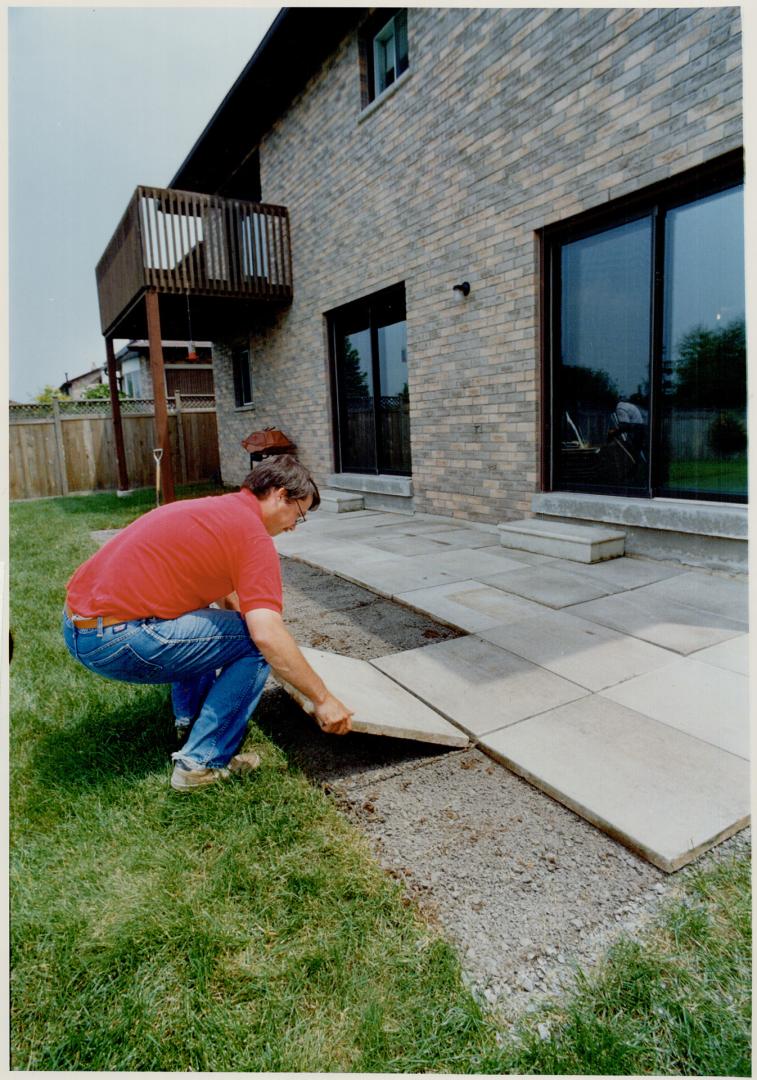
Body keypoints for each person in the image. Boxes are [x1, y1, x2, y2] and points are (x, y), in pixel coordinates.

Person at [62, 456, 353, 791]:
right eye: (298, 515)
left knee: (216, 627)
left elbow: (230, 605)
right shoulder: (252, 535)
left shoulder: (217, 511)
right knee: (255, 644)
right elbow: (266, 635)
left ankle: (192, 724)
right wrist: (323, 698)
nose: (292, 527)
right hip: (116, 641)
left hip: (78, 628)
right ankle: (200, 763)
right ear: (279, 494)